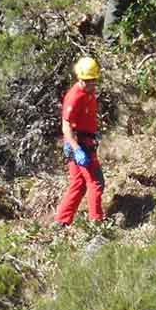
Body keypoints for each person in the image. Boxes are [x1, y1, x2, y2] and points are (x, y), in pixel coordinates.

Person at [54, 56, 104, 227]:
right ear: (79, 78)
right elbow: (66, 127)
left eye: (93, 80)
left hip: (85, 141)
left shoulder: (89, 92)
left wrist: (94, 132)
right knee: (96, 182)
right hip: (79, 144)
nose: (90, 84)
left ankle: (61, 222)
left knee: (79, 184)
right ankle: (96, 225)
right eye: (87, 81)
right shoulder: (74, 96)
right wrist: (77, 149)